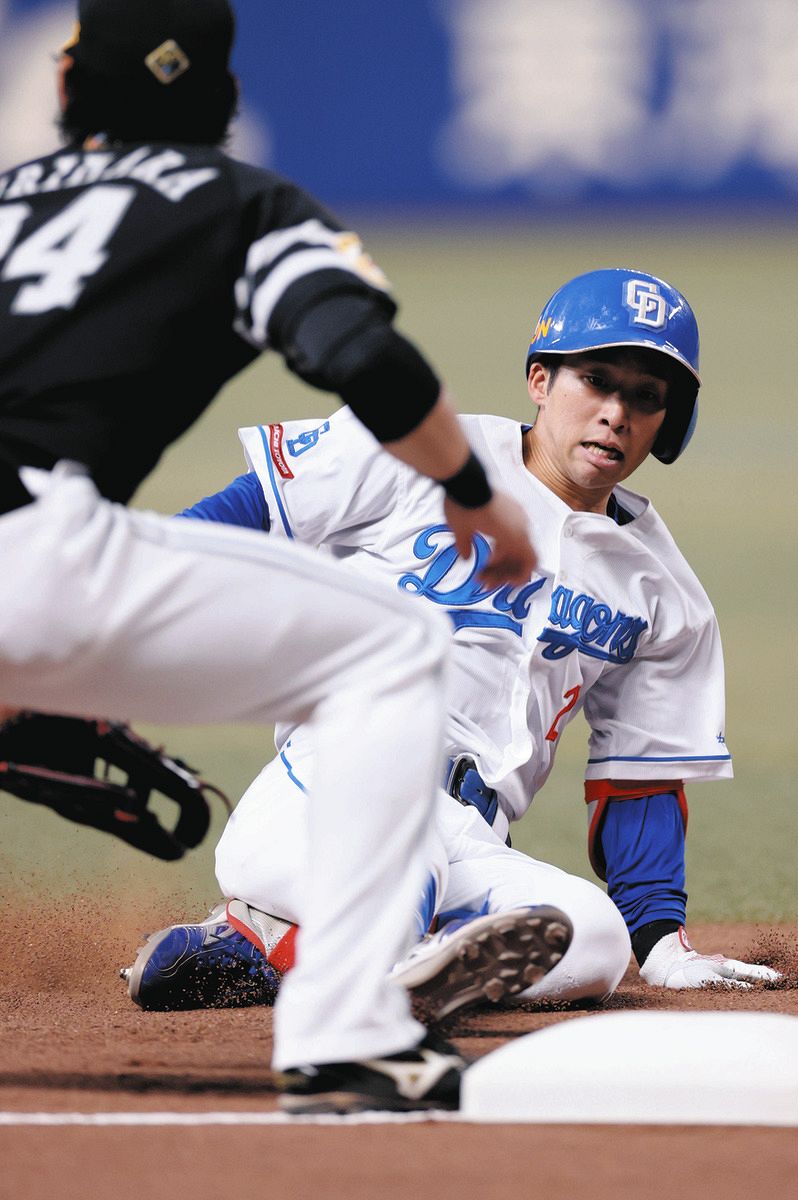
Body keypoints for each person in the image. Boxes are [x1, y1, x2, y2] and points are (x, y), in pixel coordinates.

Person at [0, 0, 539, 1116]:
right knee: (391, 648)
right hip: (32, 545)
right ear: (220, 100)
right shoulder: (233, 201)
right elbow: (357, 351)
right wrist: (473, 491)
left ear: (68, 87)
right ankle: (344, 1040)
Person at [121, 268, 781, 1016]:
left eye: (645, 397)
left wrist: (661, 946)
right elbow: (244, 514)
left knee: (595, 941)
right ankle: (360, 969)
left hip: (470, 834)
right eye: (595, 380)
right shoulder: (425, 450)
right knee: (408, 879)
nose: (616, 413)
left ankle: (275, 953)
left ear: (669, 422)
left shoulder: (663, 591)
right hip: (330, 792)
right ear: (540, 380)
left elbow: (639, 781)